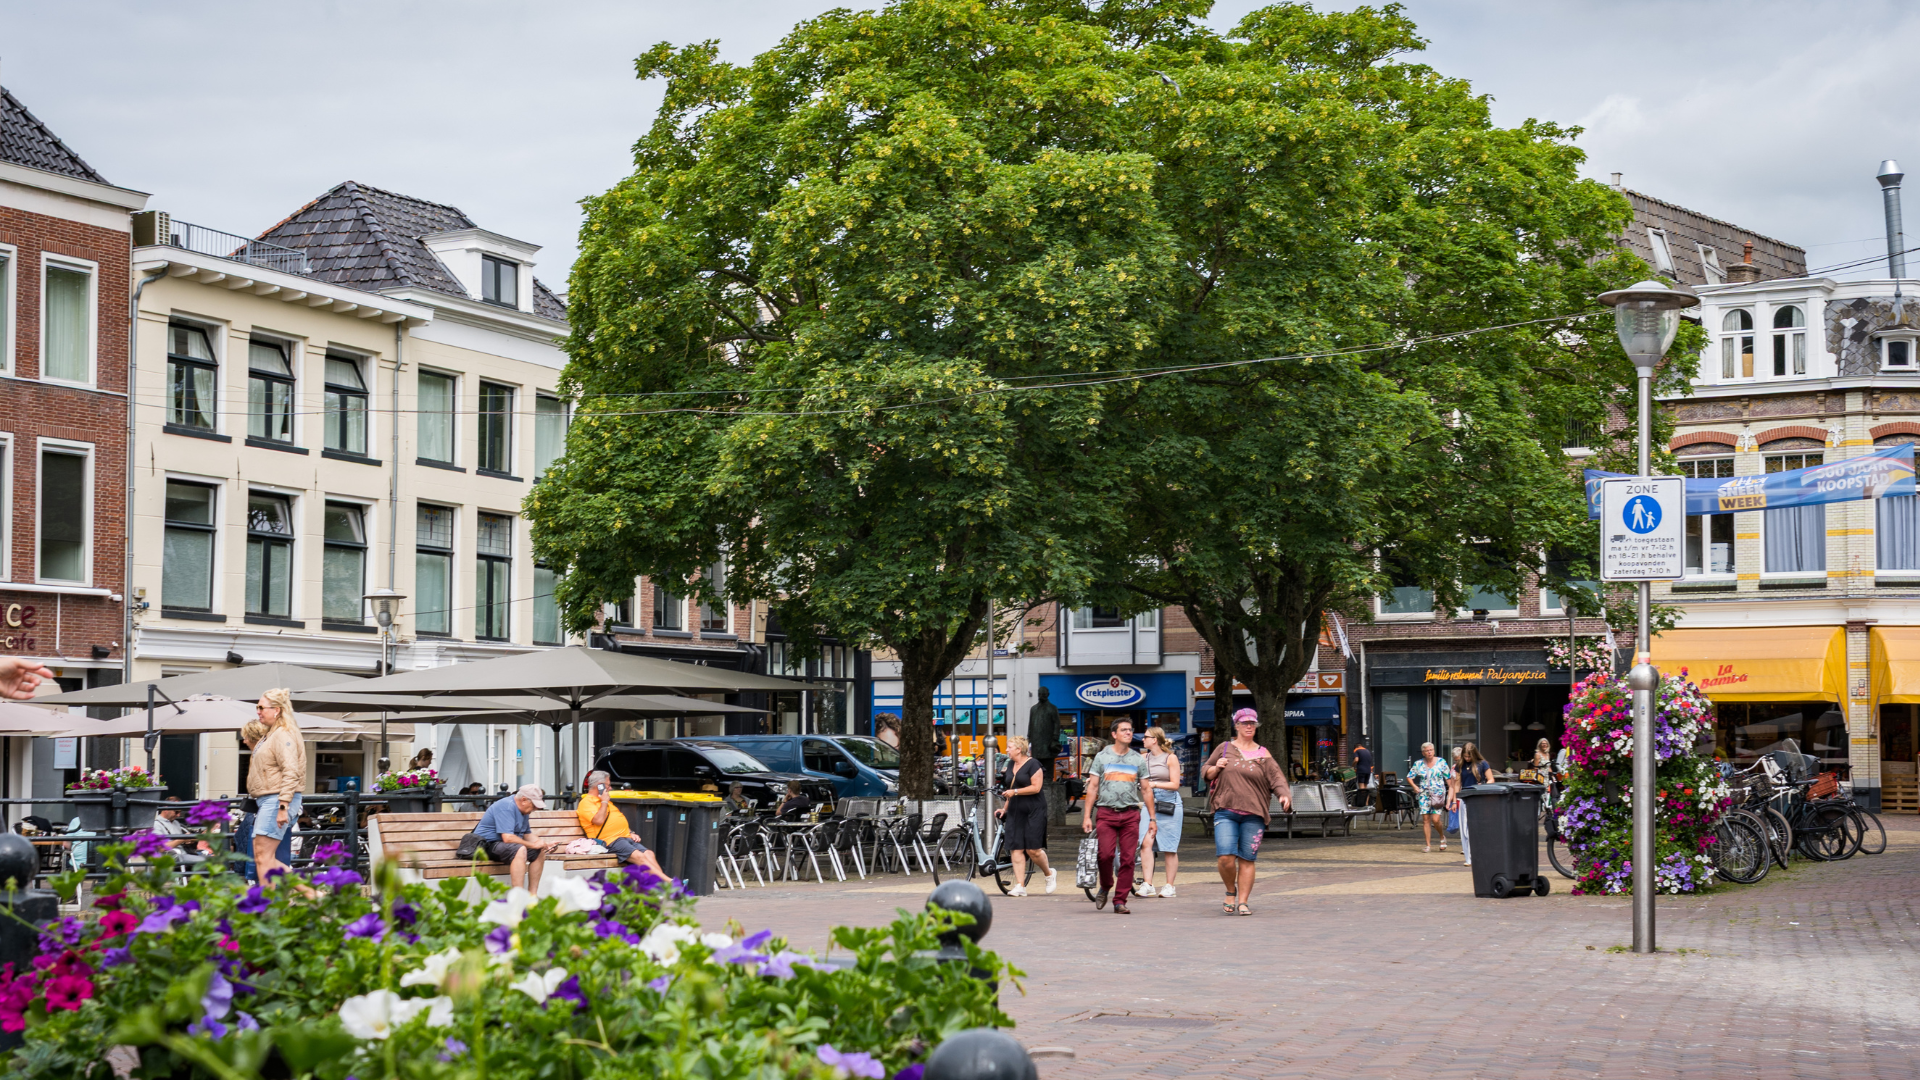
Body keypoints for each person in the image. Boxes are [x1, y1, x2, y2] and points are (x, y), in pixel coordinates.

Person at [1202, 709, 1291, 916]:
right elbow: (1206, 770)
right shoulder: (1225, 748)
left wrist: (1283, 795)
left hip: (1254, 813)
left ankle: (1243, 901)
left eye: (1252, 723)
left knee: (1247, 859)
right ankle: (1230, 891)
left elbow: (1277, 779)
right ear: (1237, 726)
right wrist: (1216, 768)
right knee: (1225, 857)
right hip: (1226, 810)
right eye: (1245, 723)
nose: (1249, 726)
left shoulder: (1263, 754)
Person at [1079, 718, 1153, 913]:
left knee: (1128, 859)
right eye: (1124, 730)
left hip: (1130, 814)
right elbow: (1093, 787)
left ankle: (1120, 901)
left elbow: (1146, 790)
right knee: (1105, 855)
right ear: (1114, 734)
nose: (1129, 733)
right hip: (1106, 813)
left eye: (1130, 730)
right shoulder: (1102, 757)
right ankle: (1105, 886)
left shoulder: (1138, 759)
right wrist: (1087, 816)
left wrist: (1152, 818)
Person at [247, 688, 306, 883]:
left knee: (263, 857)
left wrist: (283, 806)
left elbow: (291, 771)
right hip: (270, 800)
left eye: (261, 707)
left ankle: (268, 901)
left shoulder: (283, 734)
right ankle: (312, 894)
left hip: (276, 800)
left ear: (277, 710)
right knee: (263, 857)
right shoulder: (273, 734)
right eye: (257, 707)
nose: (258, 711)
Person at [994, 736, 1054, 896]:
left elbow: (1036, 787)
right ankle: (1020, 886)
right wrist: (1004, 809)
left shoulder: (1034, 764)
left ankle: (1049, 874)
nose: (1006, 750)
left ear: (1019, 749)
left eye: (1009, 747)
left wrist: (1015, 792)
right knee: (1016, 847)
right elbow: (1010, 788)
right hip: (1015, 810)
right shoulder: (1010, 764)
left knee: (1033, 850)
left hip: (1034, 810)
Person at [578, 771, 668, 878]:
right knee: (639, 857)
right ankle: (669, 883)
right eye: (608, 785)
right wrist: (604, 802)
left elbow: (616, 819)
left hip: (624, 837)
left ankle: (660, 884)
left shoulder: (604, 801)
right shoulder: (586, 802)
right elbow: (599, 820)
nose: (610, 788)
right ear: (600, 786)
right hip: (609, 840)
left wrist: (631, 832)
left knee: (649, 854)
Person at [474, 785, 552, 891]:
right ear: (524, 800)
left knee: (539, 851)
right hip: (486, 846)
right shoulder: (506, 806)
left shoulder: (524, 810)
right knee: (520, 849)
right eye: (534, 805)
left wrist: (543, 844)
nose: (535, 809)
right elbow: (508, 838)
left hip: (504, 846)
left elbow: (527, 834)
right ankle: (518, 895)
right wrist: (533, 845)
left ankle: (532, 895)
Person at [1136, 726, 1183, 898]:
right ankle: (1148, 884)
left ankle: (1169, 886)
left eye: (1146, 737)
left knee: (1169, 847)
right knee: (1145, 842)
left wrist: (1154, 784)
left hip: (1169, 803)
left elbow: (1175, 784)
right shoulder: (1143, 758)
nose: (1143, 739)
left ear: (1154, 740)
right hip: (1150, 802)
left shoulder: (1170, 758)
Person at [1406, 742, 1455, 854]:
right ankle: (1428, 845)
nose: (1429, 752)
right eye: (1427, 751)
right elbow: (1409, 777)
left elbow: (1448, 779)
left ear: (1434, 751)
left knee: (1436, 819)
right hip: (1424, 794)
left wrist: (1451, 796)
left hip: (1438, 794)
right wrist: (1414, 786)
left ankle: (1442, 836)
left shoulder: (1441, 762)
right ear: (1423, 753)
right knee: (1425, 820)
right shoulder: (1418, 764)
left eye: (1431, 750)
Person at [1456, 742, 1492, 867]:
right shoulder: (1460, 765)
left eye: (1469, 756)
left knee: (1478, 827)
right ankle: (1469, 858)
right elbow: (1457, 783)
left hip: (1478, 797)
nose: (1467, 759)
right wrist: (1455, 800)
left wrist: (1484, 787)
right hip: (1465, 797)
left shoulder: (1482, 764)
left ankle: (1480, 854)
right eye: (1465, 756)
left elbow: (1491, 779)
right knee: (1465, 829)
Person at [151, 796, 215, 865]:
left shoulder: (176, 823)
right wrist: (182, 839)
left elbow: (185, 839)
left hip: (184, 853)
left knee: (214, 858)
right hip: (172, 857)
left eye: (180, 812)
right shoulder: (156, 824)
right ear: (166, 808)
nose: (178, 815)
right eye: (176, 812)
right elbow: (160, 848)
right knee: (205, 862)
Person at [1027, 688, 1061, 781]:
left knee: (1048, 764)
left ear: (1048, 694)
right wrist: (1029, 738)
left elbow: (1057, 724)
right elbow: (1030, 725)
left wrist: (1055, 738)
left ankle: (1048, 781)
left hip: (1048, 742)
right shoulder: (1033, 709)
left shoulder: (1052, 708)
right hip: (1036, 742)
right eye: (1040, 694)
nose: (1041, 696)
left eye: (1044, 694)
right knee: (1036, 764)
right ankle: (1036, 781)